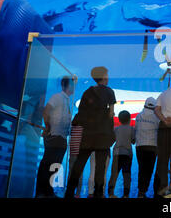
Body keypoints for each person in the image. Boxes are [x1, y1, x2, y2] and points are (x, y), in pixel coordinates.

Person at [65, 66, 116, 198]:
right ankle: (98, 194)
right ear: (104, 76)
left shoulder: (87, 92)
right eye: (107, 74)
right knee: (100, 168)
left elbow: (81, 115)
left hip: (87, 136)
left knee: (79, 164)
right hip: (103, 136)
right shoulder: (109, 92)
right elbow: (111, 114)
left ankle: (69, 192)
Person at [35, 76, 74, 198]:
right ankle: (41, 192)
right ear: (65, 86)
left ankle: (48, 191)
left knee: (55, 165)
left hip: (62, 137)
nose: (73, 87)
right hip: (54, 136)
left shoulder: (67, 100)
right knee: (48, 164)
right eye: (71, 84)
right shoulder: (57, 97)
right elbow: (46, 111)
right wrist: (47, 126)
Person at [135, 97, 160, 198]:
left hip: (140, 147)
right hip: (152, 147)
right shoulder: (156, 118)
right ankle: (144, 191)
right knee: (149, 170)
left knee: (141, 170)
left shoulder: (138, 116)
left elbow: (136, 129)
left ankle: (141, 192)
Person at [108, 110, 135, 198]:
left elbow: (111, 141)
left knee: (114, 174)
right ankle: (126, 194)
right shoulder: (132, 129)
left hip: (117, 154)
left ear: (119, 119)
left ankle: (111, 193)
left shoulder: (116, 129)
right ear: (129, 119)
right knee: (126, 174)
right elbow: (133, 141)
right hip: (127, 154)